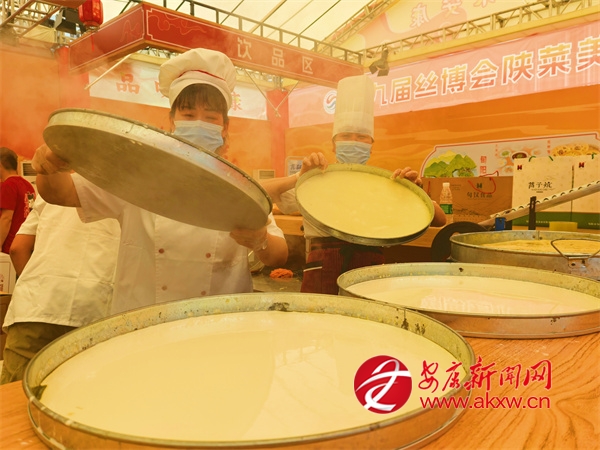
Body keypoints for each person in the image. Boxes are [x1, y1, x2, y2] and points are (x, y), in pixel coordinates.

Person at [32, 48, 288, 315]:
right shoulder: (137, 172)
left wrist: (260, 240)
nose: (199, 123)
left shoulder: (237, 185)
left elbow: (278, 254)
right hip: (143, 322)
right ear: (172, 120)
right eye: (188, 115)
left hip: (219, 323)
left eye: (211, 117)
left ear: (224, 127)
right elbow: (61, 193)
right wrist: (50, 166)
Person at [261, 75, 446, 295]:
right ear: (333, 144)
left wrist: (415, 193)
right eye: (346, 136)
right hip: (321, 272)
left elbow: (439, 219)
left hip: (370, 274)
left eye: (361, 137)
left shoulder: (384, 183)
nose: (354, 141)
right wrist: (298, 177)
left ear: (371, 145)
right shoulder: (315, 180)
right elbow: (258, 191)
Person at [0, 196, 120, 384]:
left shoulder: (50, 193)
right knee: (81, 396)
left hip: (35, 309)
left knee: (17, 396)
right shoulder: (129, 193)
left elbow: (18, 248)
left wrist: (37, 288)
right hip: (97, 310)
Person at [0, 147, 35, 254]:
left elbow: (6, 218)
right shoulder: (28, 186)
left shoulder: (8, 185)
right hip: (24, 245)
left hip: (9, 247)